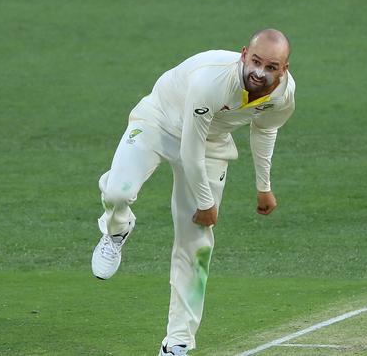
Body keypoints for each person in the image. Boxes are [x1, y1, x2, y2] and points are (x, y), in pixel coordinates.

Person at [91, 28, 296, 355]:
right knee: (118, 192)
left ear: (283, 70)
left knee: (196, 244)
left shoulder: (282, 94)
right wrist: (205, 202)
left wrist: (264, 187)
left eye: (271, 67)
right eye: (255, 61)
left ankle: (177, 343)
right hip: (158, 121)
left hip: (212, 145)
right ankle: (116, 228)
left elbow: (264, 131)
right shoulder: (212, 82)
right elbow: (189, 150)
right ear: (244, 54)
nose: (260, 72)